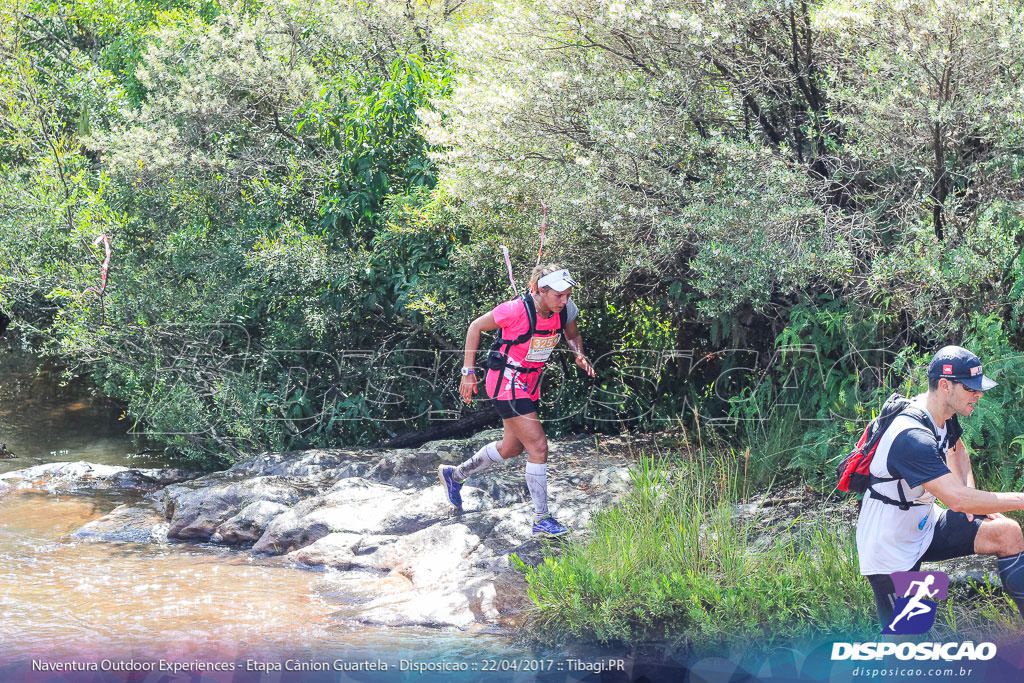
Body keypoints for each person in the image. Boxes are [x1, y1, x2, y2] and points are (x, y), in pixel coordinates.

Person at [857, 345, 1024, 628]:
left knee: (1007, 533)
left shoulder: (944, 413)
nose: (979, 394)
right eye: (971, 388)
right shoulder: (911, 438)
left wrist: (970, 498)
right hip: (891, 546)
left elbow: (957, 450)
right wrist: (973, 500)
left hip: (924, 524)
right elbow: (957, 500)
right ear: (945, 385)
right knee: (908, 638)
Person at [438, 264, 596, 536]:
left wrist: (577, 353)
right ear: (541, 290)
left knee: (511, 449)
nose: (565, 300)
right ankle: (541, 519)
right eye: (559, 295)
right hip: (506, 382)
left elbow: (572, 335)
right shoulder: (515, 310)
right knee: (538, 446)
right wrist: (468, 372)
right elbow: (475, 326)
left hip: (529, 383)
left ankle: (454, 475)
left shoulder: (565, 310)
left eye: (568, 294)